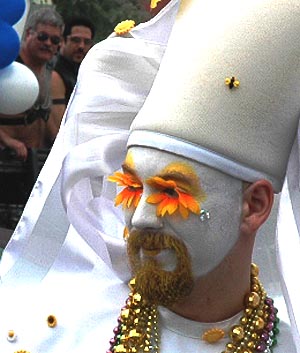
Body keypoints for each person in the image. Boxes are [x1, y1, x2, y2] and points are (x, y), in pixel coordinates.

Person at [1, 0, 299, 353]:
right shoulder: (57, 336)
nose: (140, 217)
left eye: (170, 193)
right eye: (131, 188)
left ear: (254, 205)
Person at [0, 7, 64, 160]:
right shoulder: (6, 67)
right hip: (6, 159)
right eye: (42, 37)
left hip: (35, 162)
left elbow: (53, 125)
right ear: (29, 34)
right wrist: (7, 141)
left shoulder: (53, 76)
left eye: (54, 40)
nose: (48, 43)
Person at [49, 16, 95, 139]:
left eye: (87, 42)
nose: (81, 46)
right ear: (63, 41)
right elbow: (59, 129)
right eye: (76, 40)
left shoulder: (88, 72)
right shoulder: (55, 73)